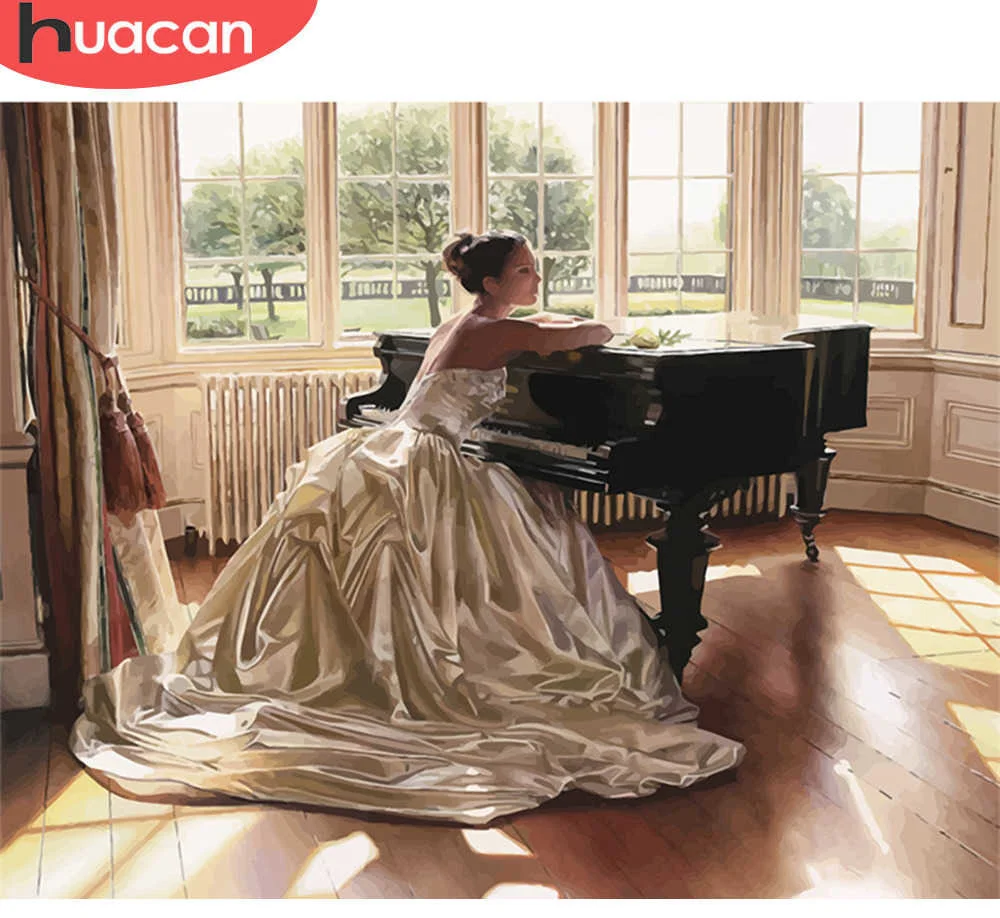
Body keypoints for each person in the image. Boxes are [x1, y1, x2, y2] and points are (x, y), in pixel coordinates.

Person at [70, 230, 744, 826]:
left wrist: (545, 315)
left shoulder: (467, 322)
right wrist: (599, 324)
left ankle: (370, 664)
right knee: (508, 547)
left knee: (435, 561)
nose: (535, 277)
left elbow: (535, 325)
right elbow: (577, 336)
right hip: (432, 458)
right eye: (523, 271)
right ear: (491, 284)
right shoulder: (500, 333)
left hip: (396, 445)